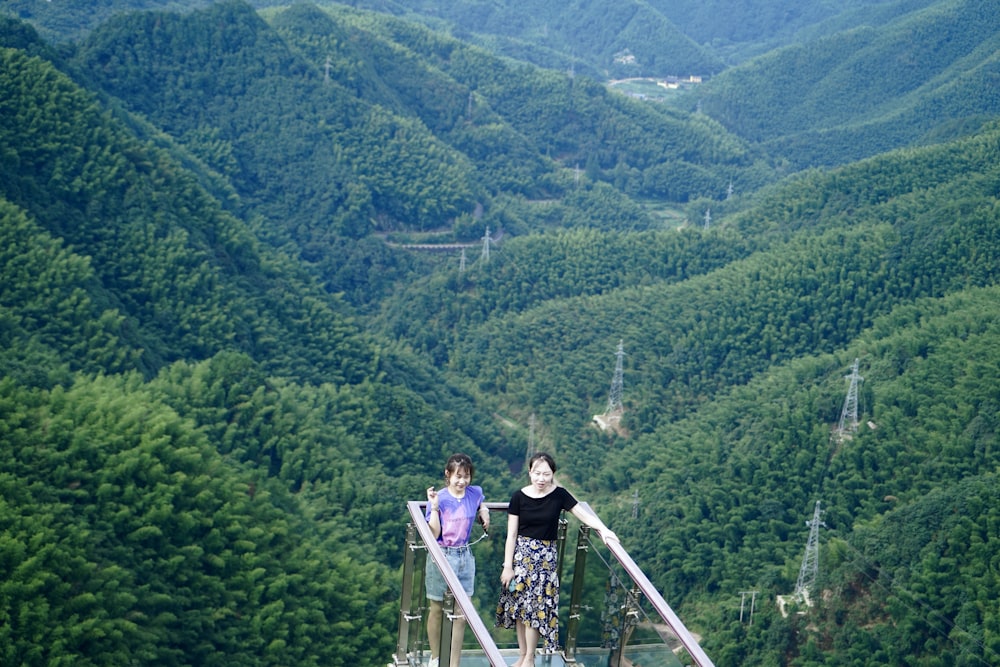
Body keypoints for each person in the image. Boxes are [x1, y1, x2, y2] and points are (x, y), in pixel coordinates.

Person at [496, 452, 618, 667]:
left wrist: (603, 529)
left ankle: (530, 658)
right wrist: (508, 566)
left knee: (536, 608)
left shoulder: (559, 495)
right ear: (530, 473)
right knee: (520, 608)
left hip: (545, 561)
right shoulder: (519, 497)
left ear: (553, 474)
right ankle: (522, 655)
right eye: (537, 473)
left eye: (546, 474)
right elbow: (512, 535)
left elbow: (583, 514)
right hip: (521, 558)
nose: (541, 479)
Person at [425, 453, 491, 667]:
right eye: (458, 476)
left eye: (466, 476)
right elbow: (434, 534)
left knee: (462, 613)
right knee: (436, 607)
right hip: (441, 555)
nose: (462, 481)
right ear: (448, 475)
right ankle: (435, 658)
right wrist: (434, 507)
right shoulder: (440, 498)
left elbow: (481, 500)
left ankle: (453, 663)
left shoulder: (474, 493)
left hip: (465, 556)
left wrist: (484, 510)